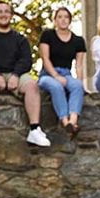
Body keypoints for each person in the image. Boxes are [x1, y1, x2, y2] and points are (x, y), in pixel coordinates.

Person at [0, 1, 51, 153]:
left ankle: (35, 130)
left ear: (11, 15)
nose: (3, 14)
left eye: (7, 11)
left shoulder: (20, 39)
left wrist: (15, 75)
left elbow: (26, 60)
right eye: (0, 11)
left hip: (14, 73)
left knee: (32, 85)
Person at [38, 7, 88, 137]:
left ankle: (73, 121)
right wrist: (55, 75)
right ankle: (65, 122)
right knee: (56, 86)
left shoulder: (78, 41)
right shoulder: (47, 35)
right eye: (59, 17)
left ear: (70, 20)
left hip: (66, 73)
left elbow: (79, 65)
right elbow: (45, 58)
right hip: (48, 73)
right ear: (55, 20)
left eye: (66, 17)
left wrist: (80, 81)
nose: (63, 20)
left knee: (77, 86)